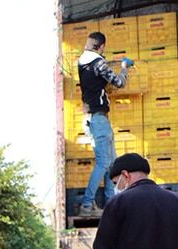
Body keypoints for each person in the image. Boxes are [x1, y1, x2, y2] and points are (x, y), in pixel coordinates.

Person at [77, 31, 133, 217]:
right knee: (103, 163)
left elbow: (96, 80)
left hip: (94, 119)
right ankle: (86, 205)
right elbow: (118, 82)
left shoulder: (82, 62)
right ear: (101, 46)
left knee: (113, 163)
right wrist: (124, 67)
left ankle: (111, 203)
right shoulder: (98, 63)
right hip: (98, 119)